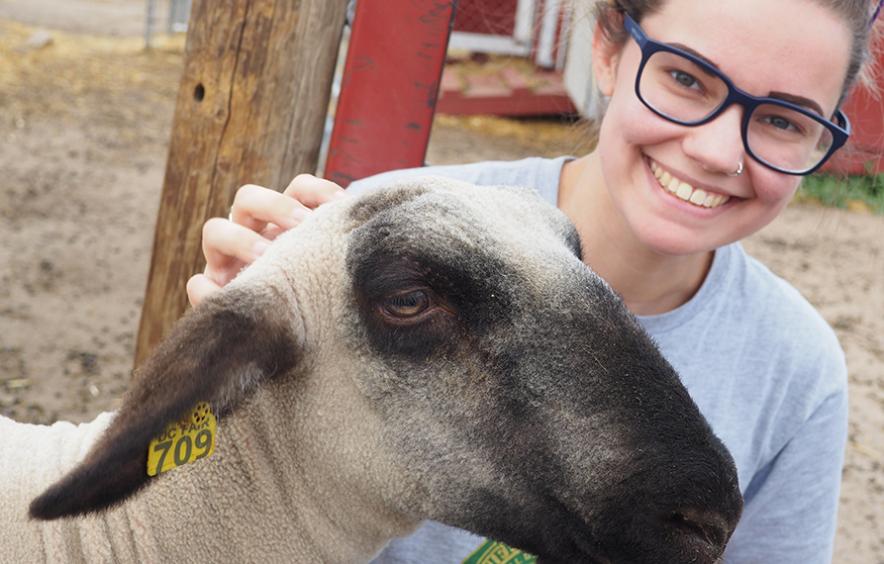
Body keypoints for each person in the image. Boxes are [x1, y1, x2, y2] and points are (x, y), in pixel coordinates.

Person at [187, 0, 882, 561]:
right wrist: (225, 370)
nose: (717, 150)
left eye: (784, 120)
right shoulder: (392, 239)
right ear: (609, 47)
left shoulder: (796, 369)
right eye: (686, 78)